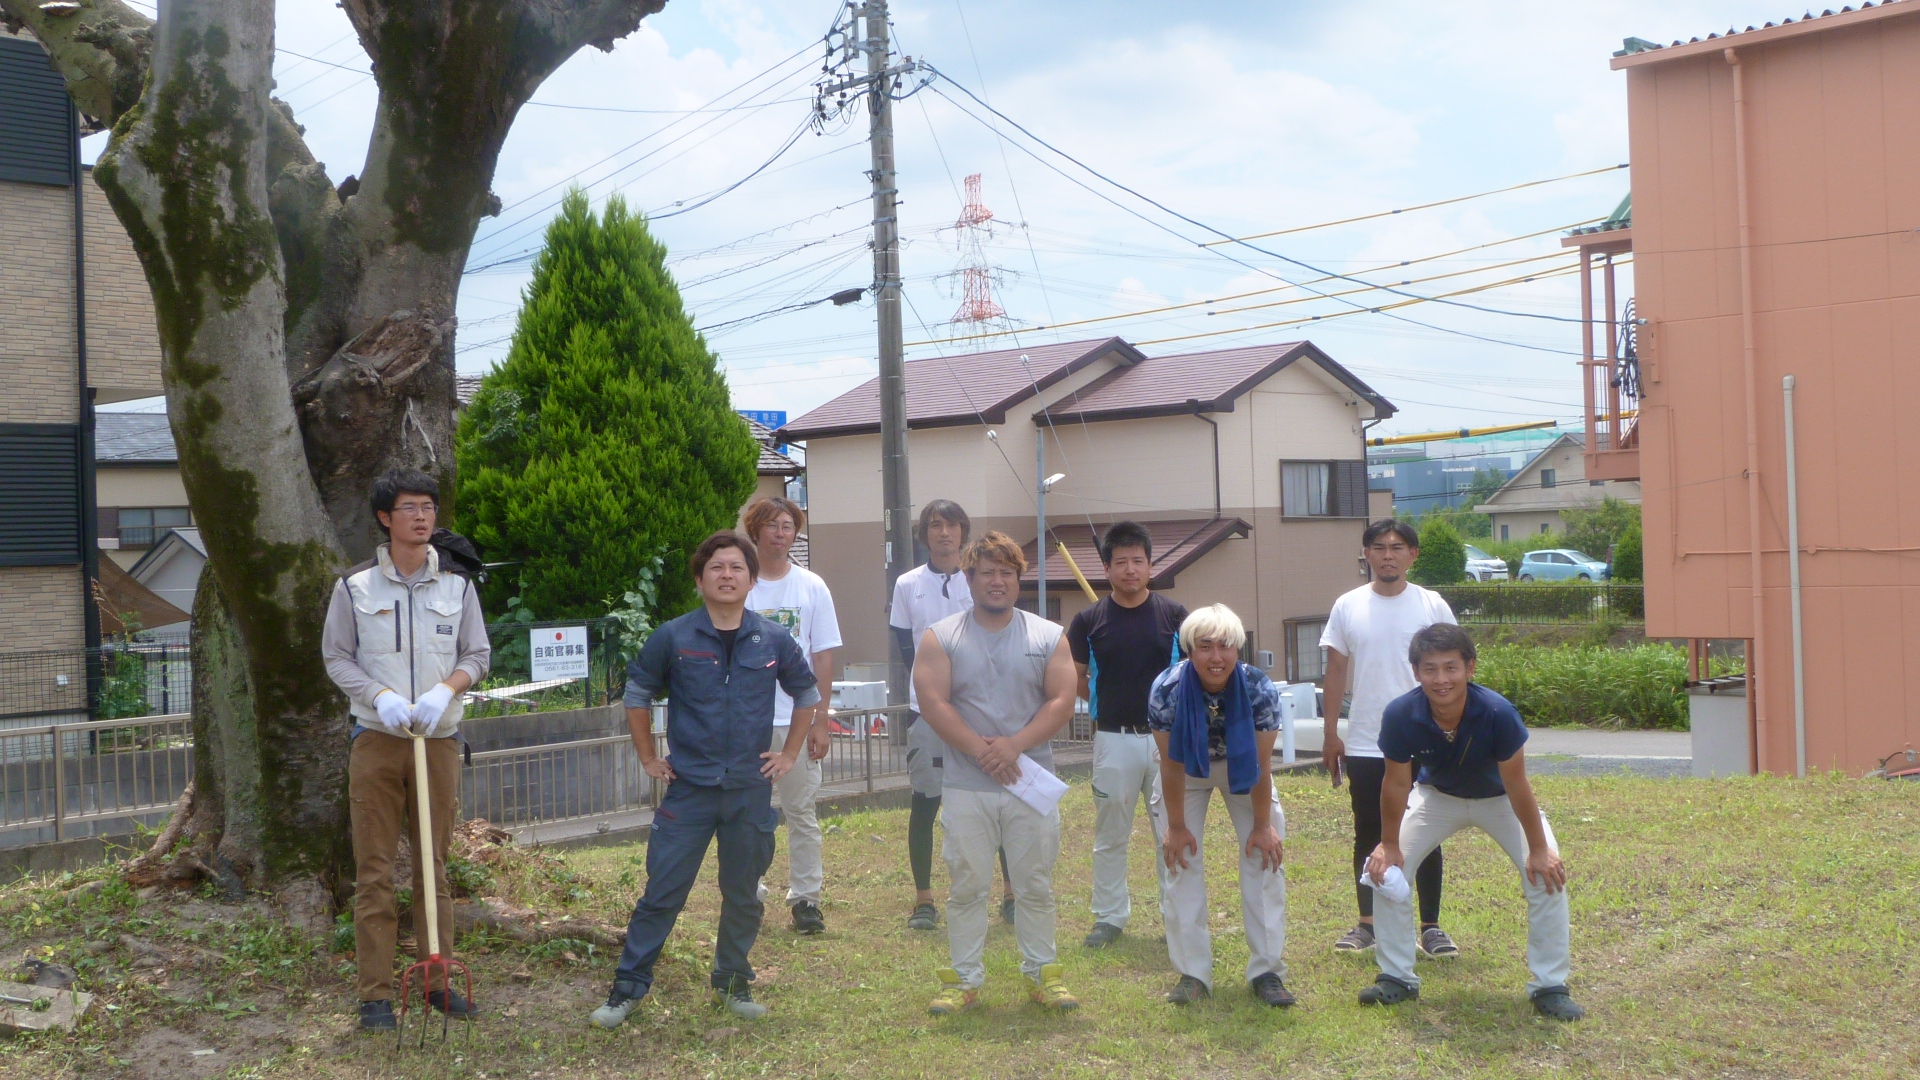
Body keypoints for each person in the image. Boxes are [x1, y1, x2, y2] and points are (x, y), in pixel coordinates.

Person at [591, 532, 821, 1029]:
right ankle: (626, 990)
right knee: (662, 893)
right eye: (716, 567)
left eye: (737, 568)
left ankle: (733, 983)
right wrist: (649, 757)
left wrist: (789, 753)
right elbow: (636, 694)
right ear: (699, 579)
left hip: (748, 790)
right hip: (689, 791)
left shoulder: (774, 639)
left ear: (752, 580)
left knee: (743, 893)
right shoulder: (673, 636)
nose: (726, 575)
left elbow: (807, 693)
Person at [323, 469, 490, 1033]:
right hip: (377, 740)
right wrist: (381, 695)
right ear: (384, 518)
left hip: (437, 742)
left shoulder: (459, 588)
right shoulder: (355, 588)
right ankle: (374, 993)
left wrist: (447, 688)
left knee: (432, 865)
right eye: (409, 507)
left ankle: (437, 981)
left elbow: (478, 654)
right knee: (373, 871)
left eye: (428, 506)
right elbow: (337, 657)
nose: (422, 516)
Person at [1360, 623, 1582, 1021]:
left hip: (1499, 800)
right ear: (1415, 672)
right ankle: (1396, 978)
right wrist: (1388, 844)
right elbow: (1395, 782)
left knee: (1547, 873)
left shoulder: (1497, 712)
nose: (1441, 679)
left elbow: (1517, 784)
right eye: (1430, 669)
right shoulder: (1400, 714)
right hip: (1437, 797)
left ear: (1470, 668)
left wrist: (1537, 849)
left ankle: (1550, 984)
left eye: (1451, 667)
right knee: (1385, 870)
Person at [914, 531, 1080, 1015]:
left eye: (1006, 572)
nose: (997, 580)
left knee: (1034, 884)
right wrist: (981, 751)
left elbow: (1062, 700)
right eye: (986, 571)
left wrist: (1014, 746)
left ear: (1018, 579)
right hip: (967, 785)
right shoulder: (941, 636)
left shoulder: (1047, 635)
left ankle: (1042, 976)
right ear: (968, 577)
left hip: (1031, 780)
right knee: (967, 885)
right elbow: (933, 702)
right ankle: (963, 980)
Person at [1320, 519, 1460, 957]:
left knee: (1427, 829)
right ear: (1366, 553)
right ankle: (1368, 923)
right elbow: (1337, 671)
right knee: (1369, 830)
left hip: (1428, 737)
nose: (1387, 555)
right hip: (1366, 739)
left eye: (1397, 547)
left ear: (1412, 555)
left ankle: (1431, 926)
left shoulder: (1432, 604)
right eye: (1378, 547)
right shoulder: (1347, 605)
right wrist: (1330, 734)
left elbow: (1456, 671)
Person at [1151, 604, 1294, 1007]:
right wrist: (1176, 826)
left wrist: (1263, 825)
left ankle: (1266, 971)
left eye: (1226, 646)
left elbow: (1263, 765)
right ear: (1189, 651)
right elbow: (1170, 764)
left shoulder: (1258, 689)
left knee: (1264, 859)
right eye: (1205, 647)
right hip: (1187, 768)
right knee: (1181, 863)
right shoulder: (1167, 690)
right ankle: (1193, 973)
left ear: (1238, 648)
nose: (1217, 657)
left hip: (1244, 766)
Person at [889, 500, 1016, 932]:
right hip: (925, 708)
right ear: (924, 534)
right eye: (935, 525)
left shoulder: (977, 579)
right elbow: (906, 648)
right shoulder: (907, 584)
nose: (944, 533)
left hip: (983, 707)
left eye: (952, 525)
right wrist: (932, 694)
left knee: (1000, 797)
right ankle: (924, 899)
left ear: (964, 533)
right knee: (926, 800)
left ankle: (1012, 893)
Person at [1068, 521, 1185, 949]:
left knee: (1171, 830)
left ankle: (1177, 913)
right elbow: (1076, 679)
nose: (1130, 569)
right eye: (1121, 562)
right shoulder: (1087, 621)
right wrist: (1105, 698)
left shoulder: (1175, 616)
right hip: (1113, 739)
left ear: (1151, 565)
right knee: (1110, 834)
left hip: (1168, 744)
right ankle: (1109, 917)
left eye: (1139, 561)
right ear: (1107, 567)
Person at [742, 496, 842, 936]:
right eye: (773, 525)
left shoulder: (812, 586)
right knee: (747, 812)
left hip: (798, 719)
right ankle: (749, 891)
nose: (781, 533)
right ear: (755, 531)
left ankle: (806, 899)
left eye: (789, 526)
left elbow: (823, 655)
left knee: (800, 812)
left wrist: (821, 719)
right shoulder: (740, 583)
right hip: (747, 720)